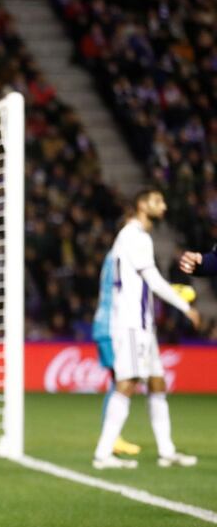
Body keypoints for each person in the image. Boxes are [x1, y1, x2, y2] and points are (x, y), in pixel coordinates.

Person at [92, 189, 200, 470]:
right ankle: (103, 454)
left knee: (156, 383)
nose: (163, 206)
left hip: (141, 324)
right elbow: (152, 279)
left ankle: (167, 451)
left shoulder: (133, 236)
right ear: (141, 205)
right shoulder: (135, 236)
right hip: (130, 323)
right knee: (127, 383)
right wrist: (184, 306)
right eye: (157, 201)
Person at [92, 250, 141, 457]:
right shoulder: (123, 255)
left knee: (118, 380)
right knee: (121, 381)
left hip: (104, 323)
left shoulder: (111, 257)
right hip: (112, 324)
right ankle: (111, 440)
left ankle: (113, 438)